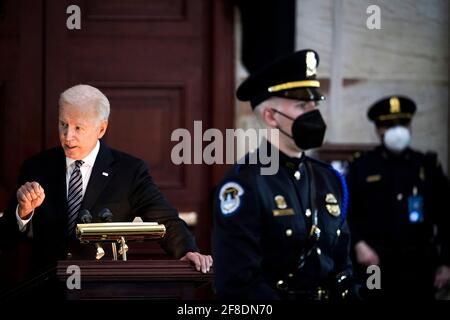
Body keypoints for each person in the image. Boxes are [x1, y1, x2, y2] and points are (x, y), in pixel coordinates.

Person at [0, 84, 212, 280]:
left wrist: (187, 251)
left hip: (100, 287)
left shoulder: (129, 171)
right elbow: (6, 237)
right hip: (45, 289)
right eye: (63, 124)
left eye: (78, 128)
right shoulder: (37, 167)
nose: (67, 136)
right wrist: (23, 212)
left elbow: (165, 218)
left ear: (101, 129)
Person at [212, 49, 357, 300]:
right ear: (271, 117)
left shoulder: (329, 179)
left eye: (315, 104)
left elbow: (342, 267)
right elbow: (238, 283)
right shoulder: (244, 184)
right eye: (302, 105)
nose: (313, 113)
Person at [346, 95, 450, 299]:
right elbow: (346, 213)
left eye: (402, 123)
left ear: (410, 125)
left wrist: (446, 262)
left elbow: (446, 215)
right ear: (378, 129)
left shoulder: (427, 166)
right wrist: (358, 245)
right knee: (372, 297)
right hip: (373, 262)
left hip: (418, 263)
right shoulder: (362, 166)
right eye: (388, 124)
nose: (397, 130)